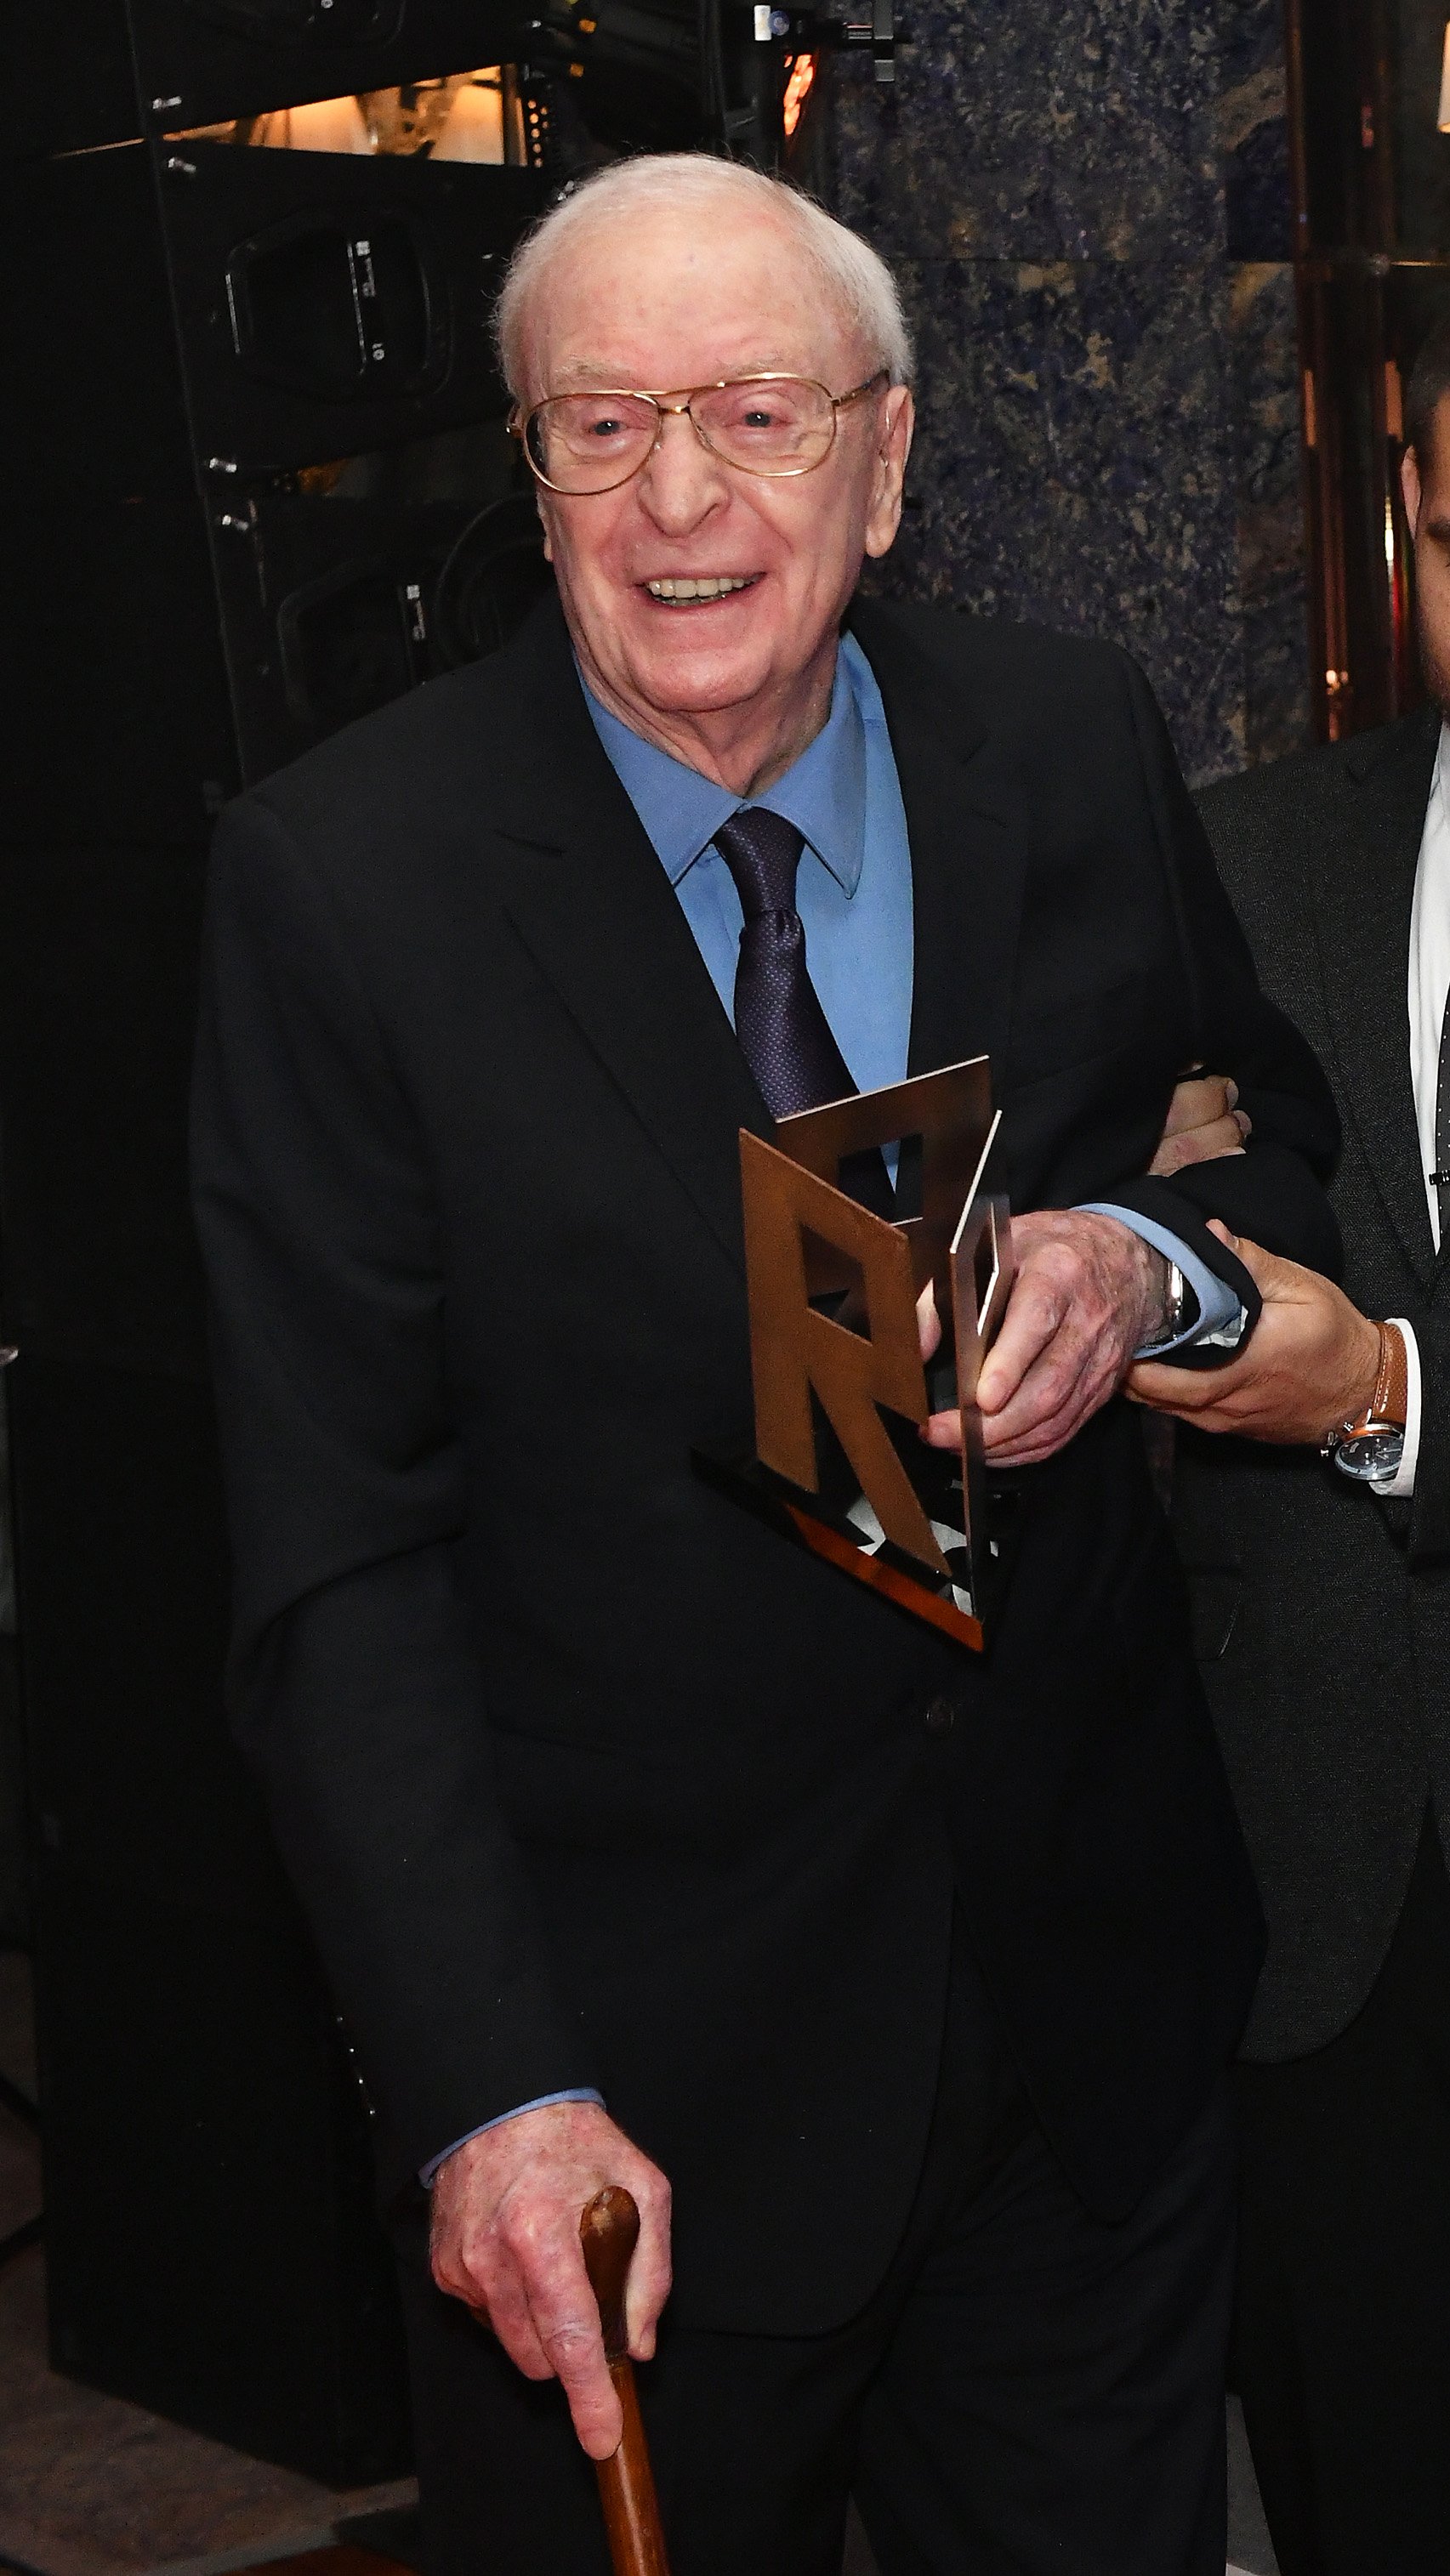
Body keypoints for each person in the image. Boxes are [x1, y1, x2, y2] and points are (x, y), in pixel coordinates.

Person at [190, 155, 1339, 2576]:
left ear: (892, 455)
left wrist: (1138, 1264)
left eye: (749, 413)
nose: (676, 497)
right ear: (525, 474)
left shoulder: (1071, 738)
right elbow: (336, 1567)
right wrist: (490, 2090)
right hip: (628, 2129)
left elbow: (1262, 1140)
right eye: (595, 427)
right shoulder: (348, 887)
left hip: (1080, 2042)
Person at [1127, 316, 1450, 2576]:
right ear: (1411, 523)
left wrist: (1385, 1397)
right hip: (1334, 1915)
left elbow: (1352, 1370)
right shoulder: (1231, 868)